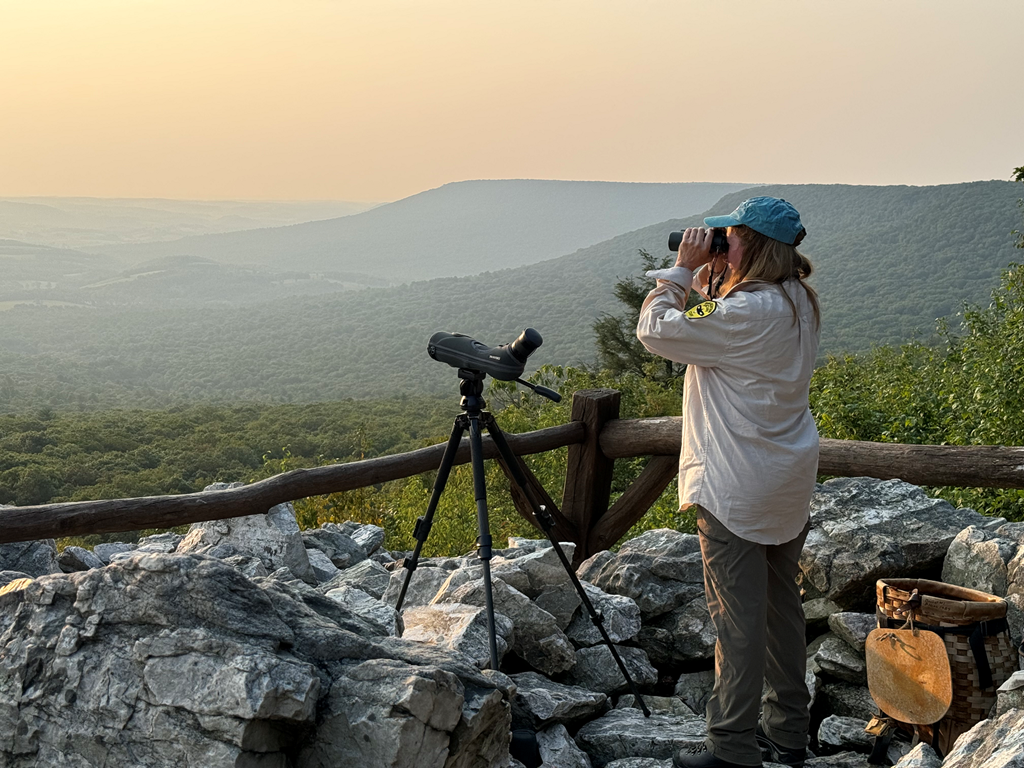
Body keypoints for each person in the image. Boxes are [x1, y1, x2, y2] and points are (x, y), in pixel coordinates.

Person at [636, 196, 820, 768]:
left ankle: (732, 749)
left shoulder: (743, 314)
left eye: (730, 235)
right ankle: (789, 734)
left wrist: (679, 275)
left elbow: (656, 329)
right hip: (784, 478)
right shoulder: (796, 302)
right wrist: (712, 285)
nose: (720, 241)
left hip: (735, 485)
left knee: (737, 618)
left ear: (754, 245)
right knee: (782, 608)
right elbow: (708, 326)